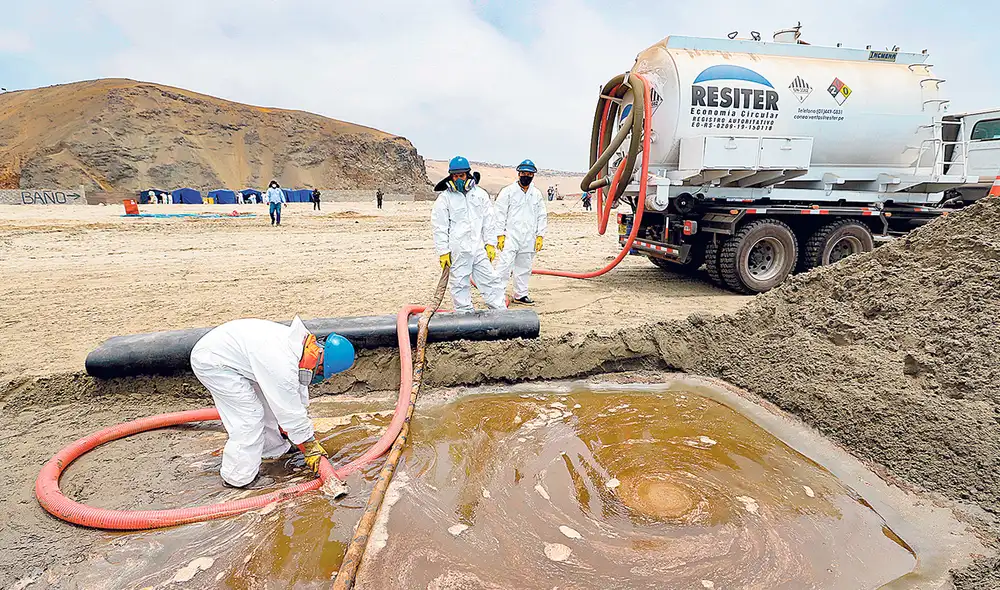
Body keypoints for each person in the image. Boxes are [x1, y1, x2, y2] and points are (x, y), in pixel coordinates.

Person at [190, 316, 356, 488]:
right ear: (322, 363)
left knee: (266, 406)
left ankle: (272, 450)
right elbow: (289, 410)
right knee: (249, 417)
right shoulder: (281, 363)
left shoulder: (300, 349)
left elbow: (295, 395)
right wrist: (309, 445)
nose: (319, 376)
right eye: (321, 372)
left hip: (233, 356)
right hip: (214, 362)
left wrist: (298, 431)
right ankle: (238, 477)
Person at [431, 155, 507, 313]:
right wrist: (443, 252)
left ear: (468, 175)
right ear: (450, 176)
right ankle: (464, 314)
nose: (458, 179)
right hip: (457, 250)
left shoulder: (480, 195)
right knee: (459, 284)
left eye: (461, 175)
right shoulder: (444, 199)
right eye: (455, 176)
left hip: (478, 248)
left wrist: (490, 244)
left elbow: (489, 221)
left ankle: (500, 311)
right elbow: (440, 227)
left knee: (490, 280)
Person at [495, 159, 547, 305]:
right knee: (504, 266)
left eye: (529, 174)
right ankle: (497, 294)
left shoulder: (535, 194)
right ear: (518, 174)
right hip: (510, 236)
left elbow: (541, 215)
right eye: (524, 173)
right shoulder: (508, 192)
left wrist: (540, 236)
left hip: (528, 237)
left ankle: (521, 294)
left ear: (533, 176)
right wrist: (500, 234)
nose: (526, 176)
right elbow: (499, 213)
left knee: (524, 267)